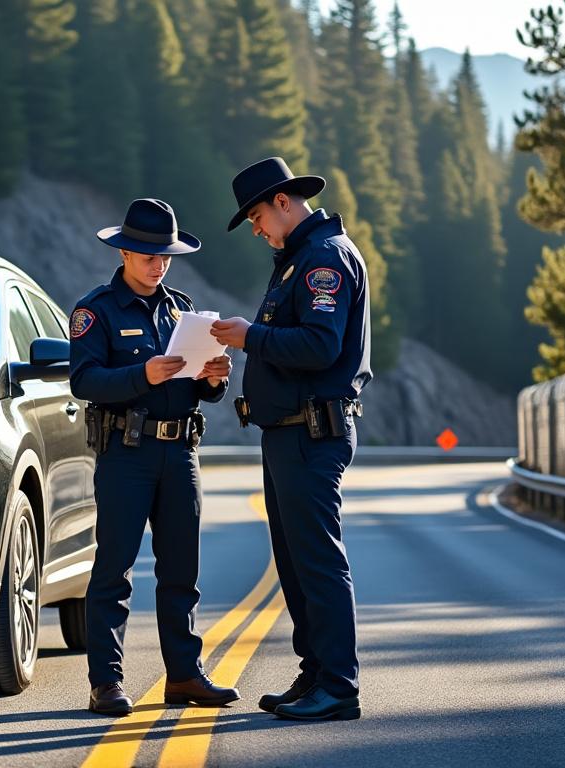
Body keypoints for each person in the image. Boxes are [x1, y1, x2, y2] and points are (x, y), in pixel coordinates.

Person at [210, 157, 371, 722]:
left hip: (311, 431)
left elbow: (319, 347)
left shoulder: (323, 260)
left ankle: (339, 686)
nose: (256, 230)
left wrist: (250, 337)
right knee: (296, 562)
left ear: (283, 203)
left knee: (318, 562)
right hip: (288, 432)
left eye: (256, 217)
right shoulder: (297, 261)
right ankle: (315, 672)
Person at [69, 198, 238, 717]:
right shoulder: (94, 310)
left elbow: (198, 389)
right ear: (123, 251)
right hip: (127, 452)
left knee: (182, 571)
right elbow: (84, 380)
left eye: (164, 254)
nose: (157, 263)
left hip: (181, 452)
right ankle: (106, 682)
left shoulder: (181, 309)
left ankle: (184, 675)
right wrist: (141, 376)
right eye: (146, 253)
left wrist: (213, 379)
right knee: (114, 570)